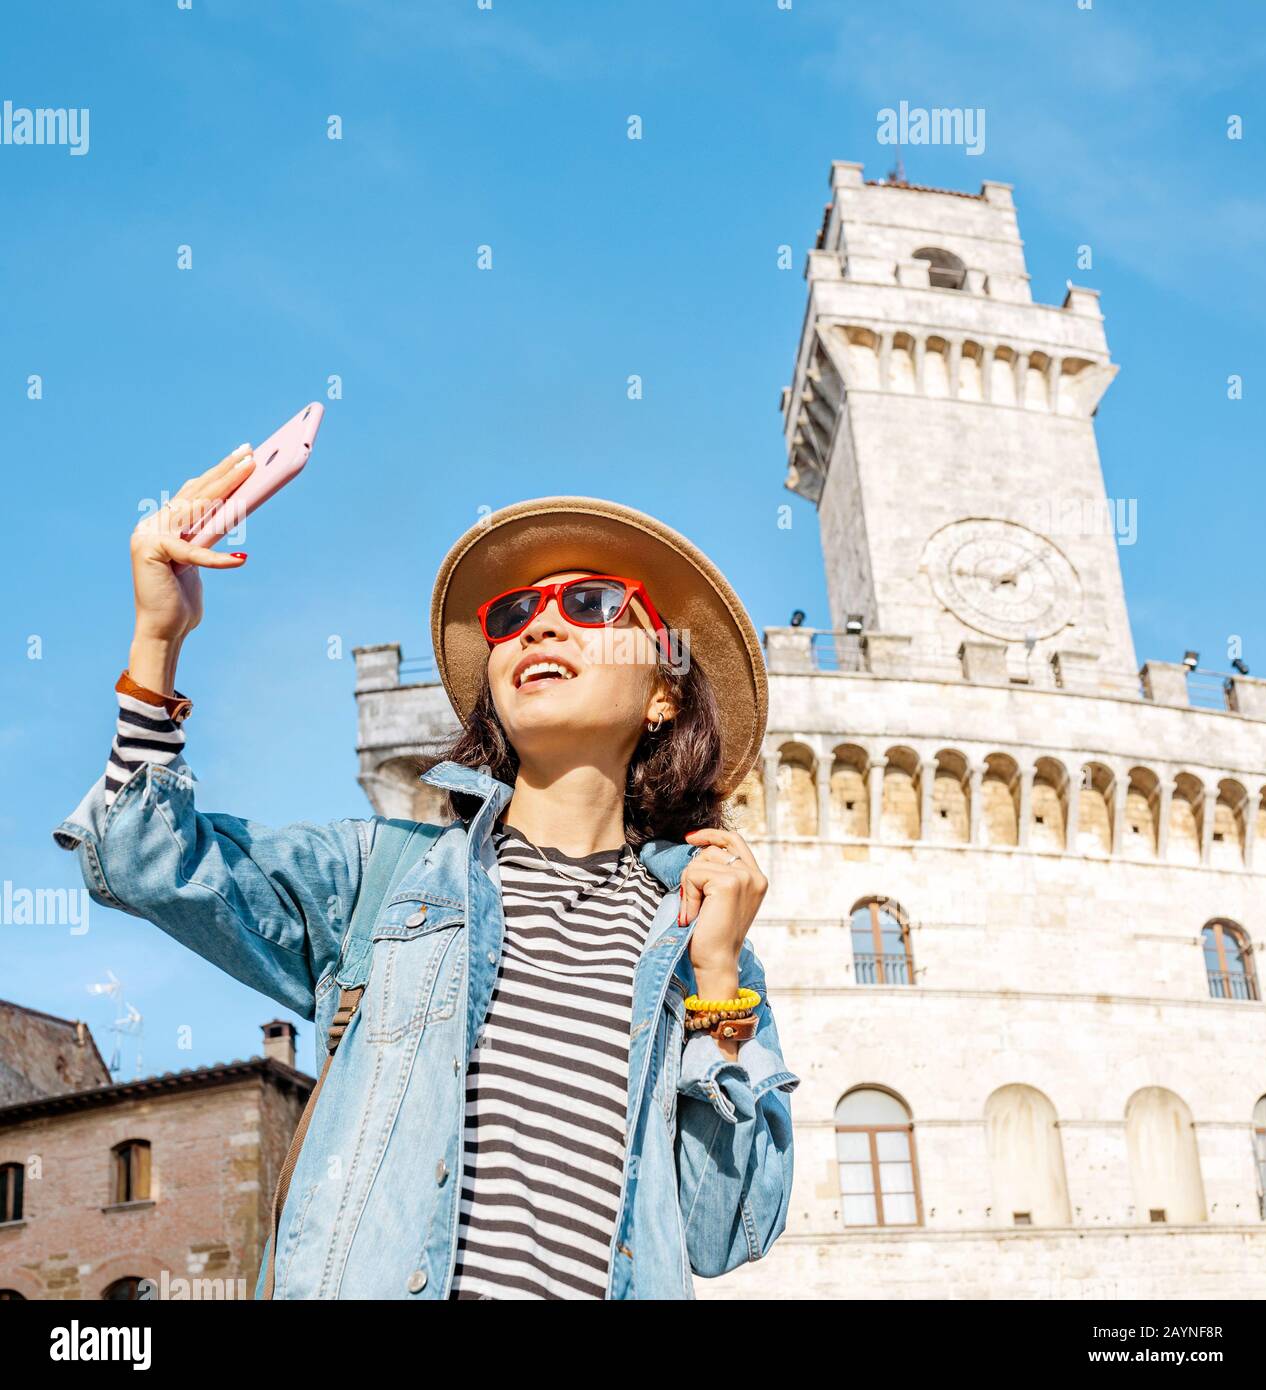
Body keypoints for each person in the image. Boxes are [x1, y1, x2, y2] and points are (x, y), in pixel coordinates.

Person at [53, 443, 800, 1300]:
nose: (541, 625)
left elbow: (726, 1226)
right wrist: (159, 638)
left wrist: (713, 978)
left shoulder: (706, 954)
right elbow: (142, 860)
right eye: (513, 613)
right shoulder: (384, 877)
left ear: (663, 691)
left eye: (591, 603)